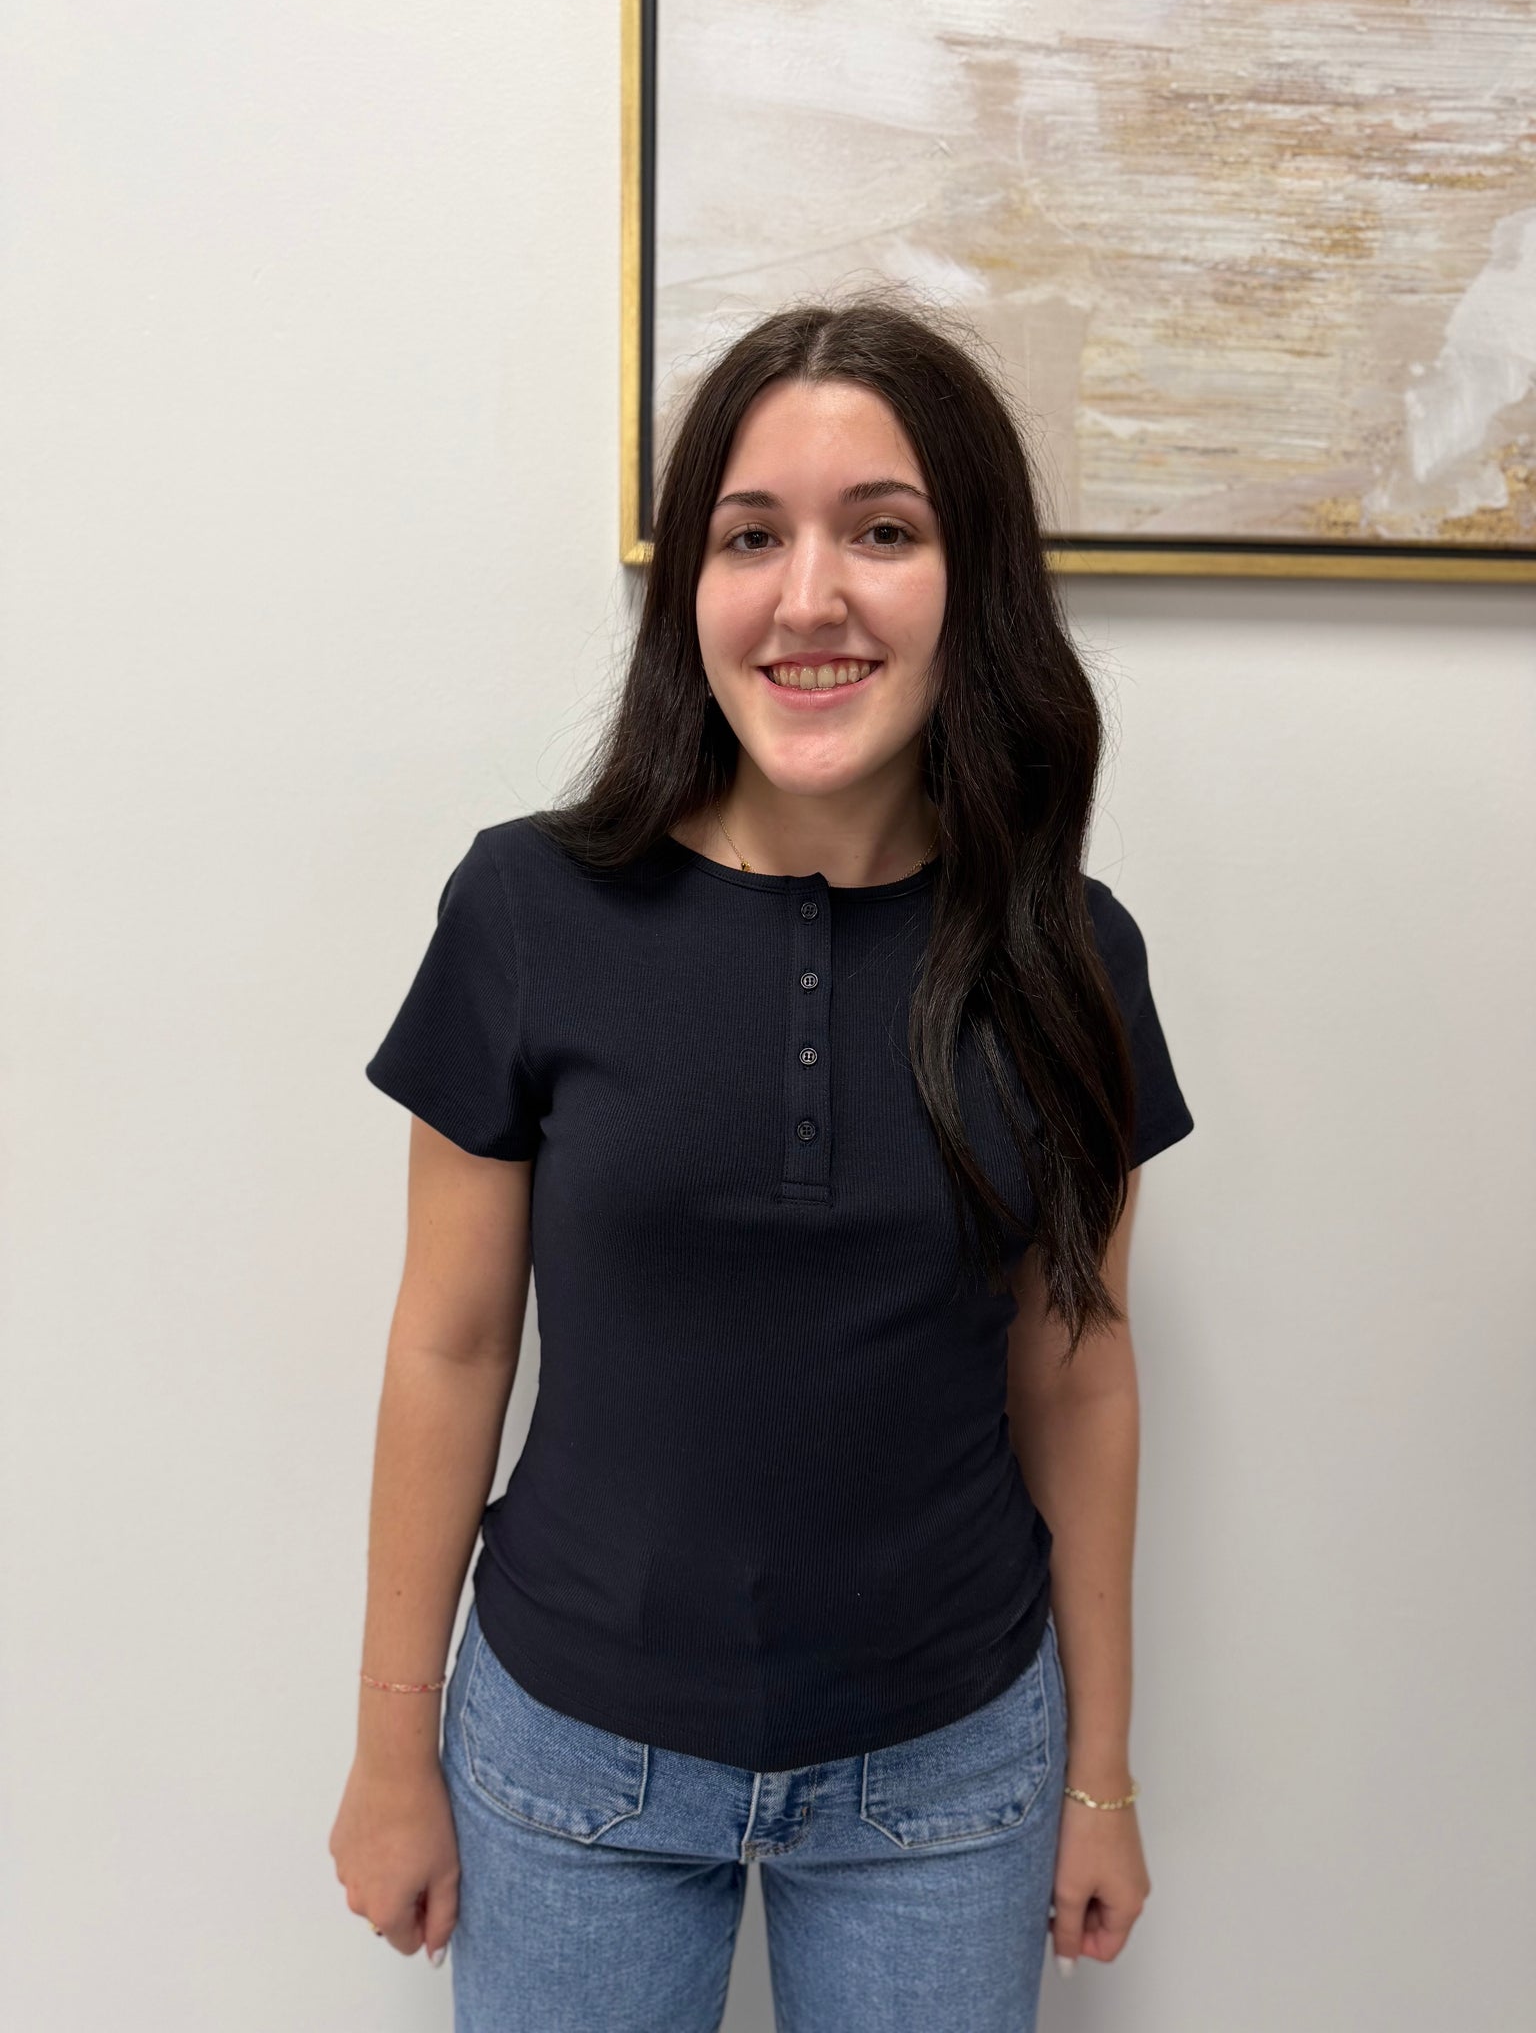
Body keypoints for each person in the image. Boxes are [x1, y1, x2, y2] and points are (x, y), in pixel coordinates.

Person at [329, 295, 1195, 2033]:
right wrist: (388, 1751)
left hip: (949, 1775)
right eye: (750, 536)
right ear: (691, 592)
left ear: (974, 581)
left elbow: (1079, 1372)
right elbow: (450, 1344)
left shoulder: (1071, 956)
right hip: (567, 1761)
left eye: (883, 531)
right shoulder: (527, 908)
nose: (810, 599)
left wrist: (1100, 1772)